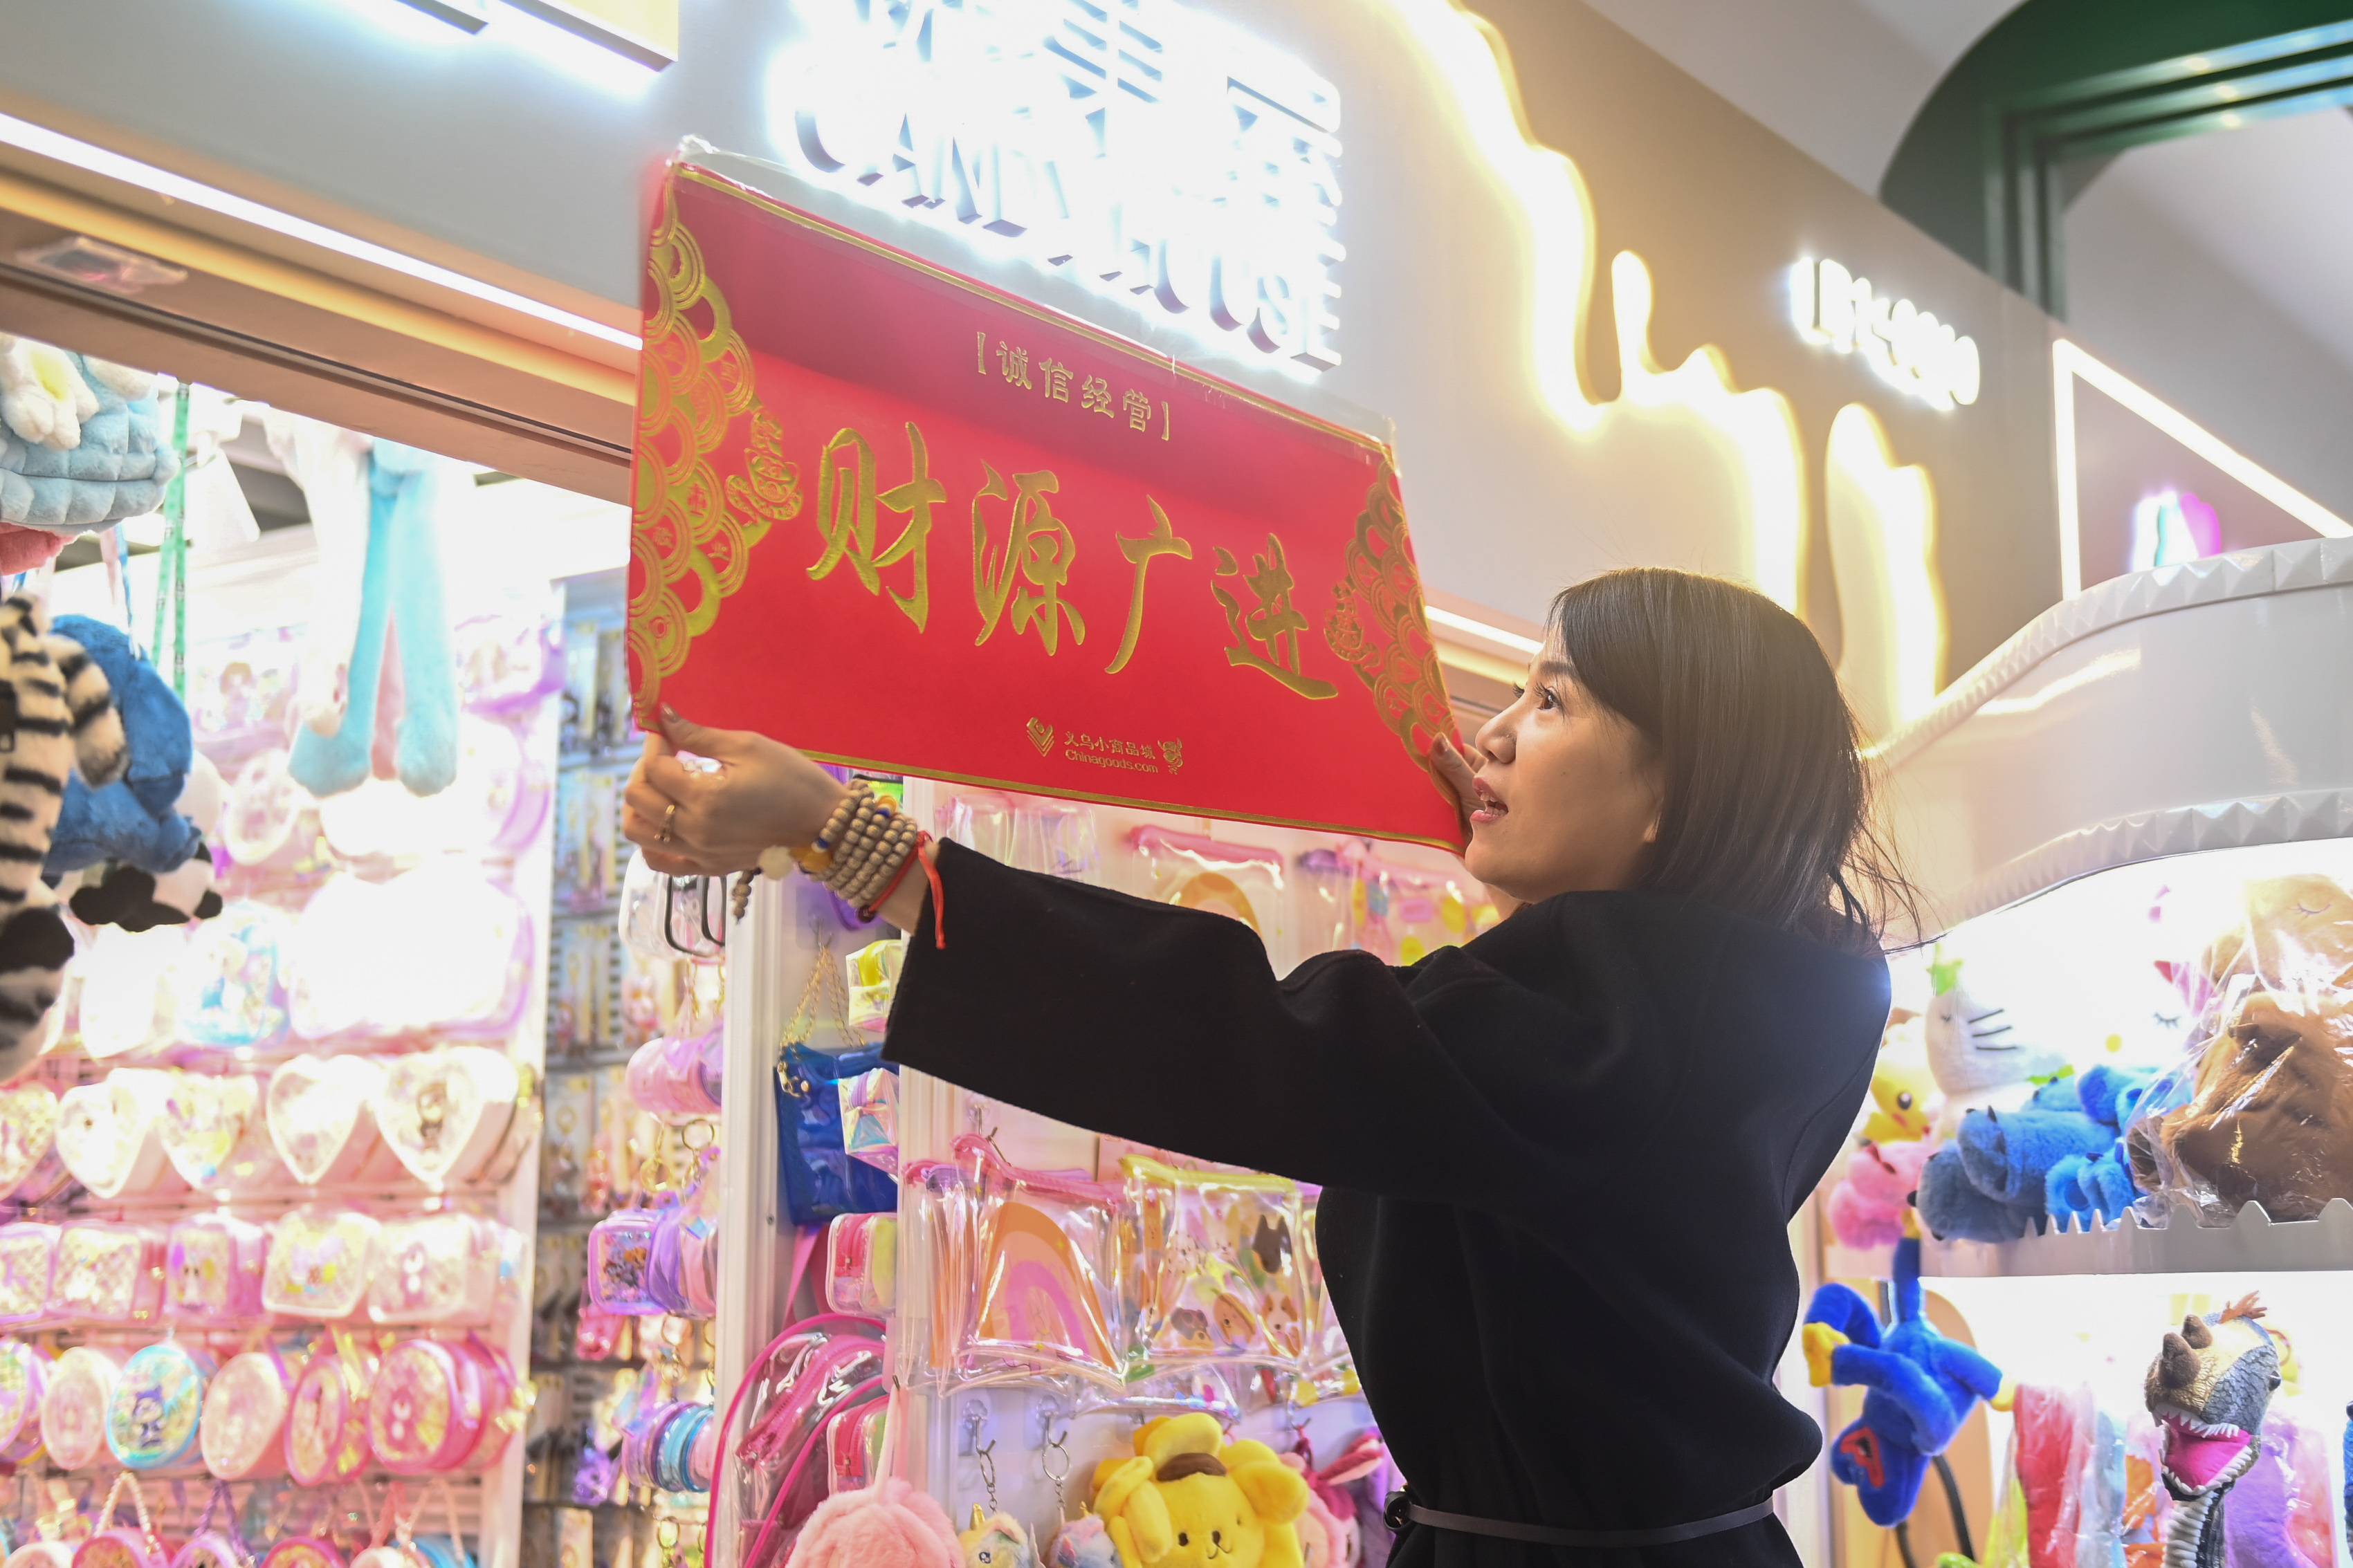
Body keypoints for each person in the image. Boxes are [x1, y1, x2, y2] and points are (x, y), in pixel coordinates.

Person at [624, 566, 1902, 1567]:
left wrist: (857, 842)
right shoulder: (1751, 1003)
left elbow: (1242, 1035)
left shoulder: (1605, 1032)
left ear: (1669, 793)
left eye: (1552, 701)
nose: (1494, 736)